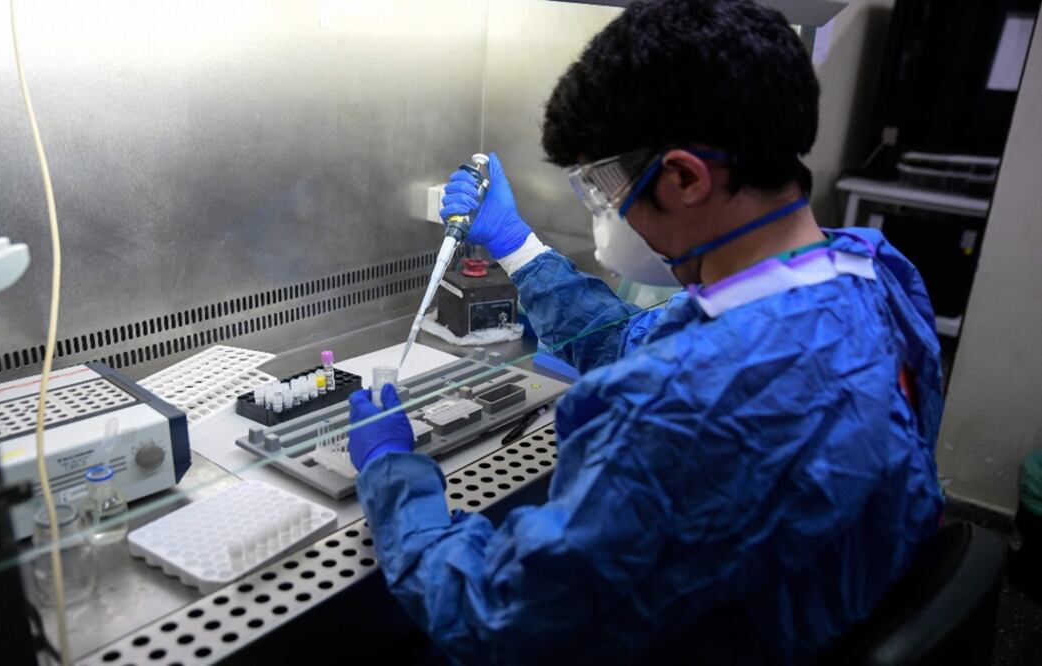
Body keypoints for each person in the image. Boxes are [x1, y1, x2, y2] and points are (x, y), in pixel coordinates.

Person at [346, 0, 945, 663]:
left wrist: (394, 479)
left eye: (604, 184)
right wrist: (516, 247)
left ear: (684, 176)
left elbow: (494, 613)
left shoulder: (689, 405)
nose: (609, 210)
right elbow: (639, 344)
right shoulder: (870, 274)